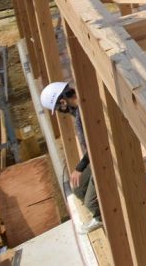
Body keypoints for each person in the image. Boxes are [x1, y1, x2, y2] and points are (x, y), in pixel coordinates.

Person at [41, 81, 102, 233]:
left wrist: (80, 168)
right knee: (78, 189)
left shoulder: (85, 113)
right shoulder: (77, 112)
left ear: (62, 101)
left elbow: (97, 144)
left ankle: (102, 217)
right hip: (94, 157)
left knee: (90, 204)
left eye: (59, 108)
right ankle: (101, 207)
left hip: (103, 157)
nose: (62, 111)